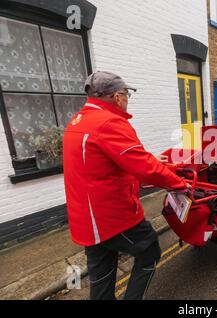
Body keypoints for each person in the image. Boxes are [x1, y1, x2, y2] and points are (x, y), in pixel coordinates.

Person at [63, 71, 187, 300]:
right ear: (118, 96)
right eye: (127, 94)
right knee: (149, 250)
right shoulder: (109, 122)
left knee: (102, 276)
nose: (127, 99)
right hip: (112, 217)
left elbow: (105, 162)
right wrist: (181, 184)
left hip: (86, 220)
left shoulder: (78, 121)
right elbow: (145, 168)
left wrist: (147, 158)